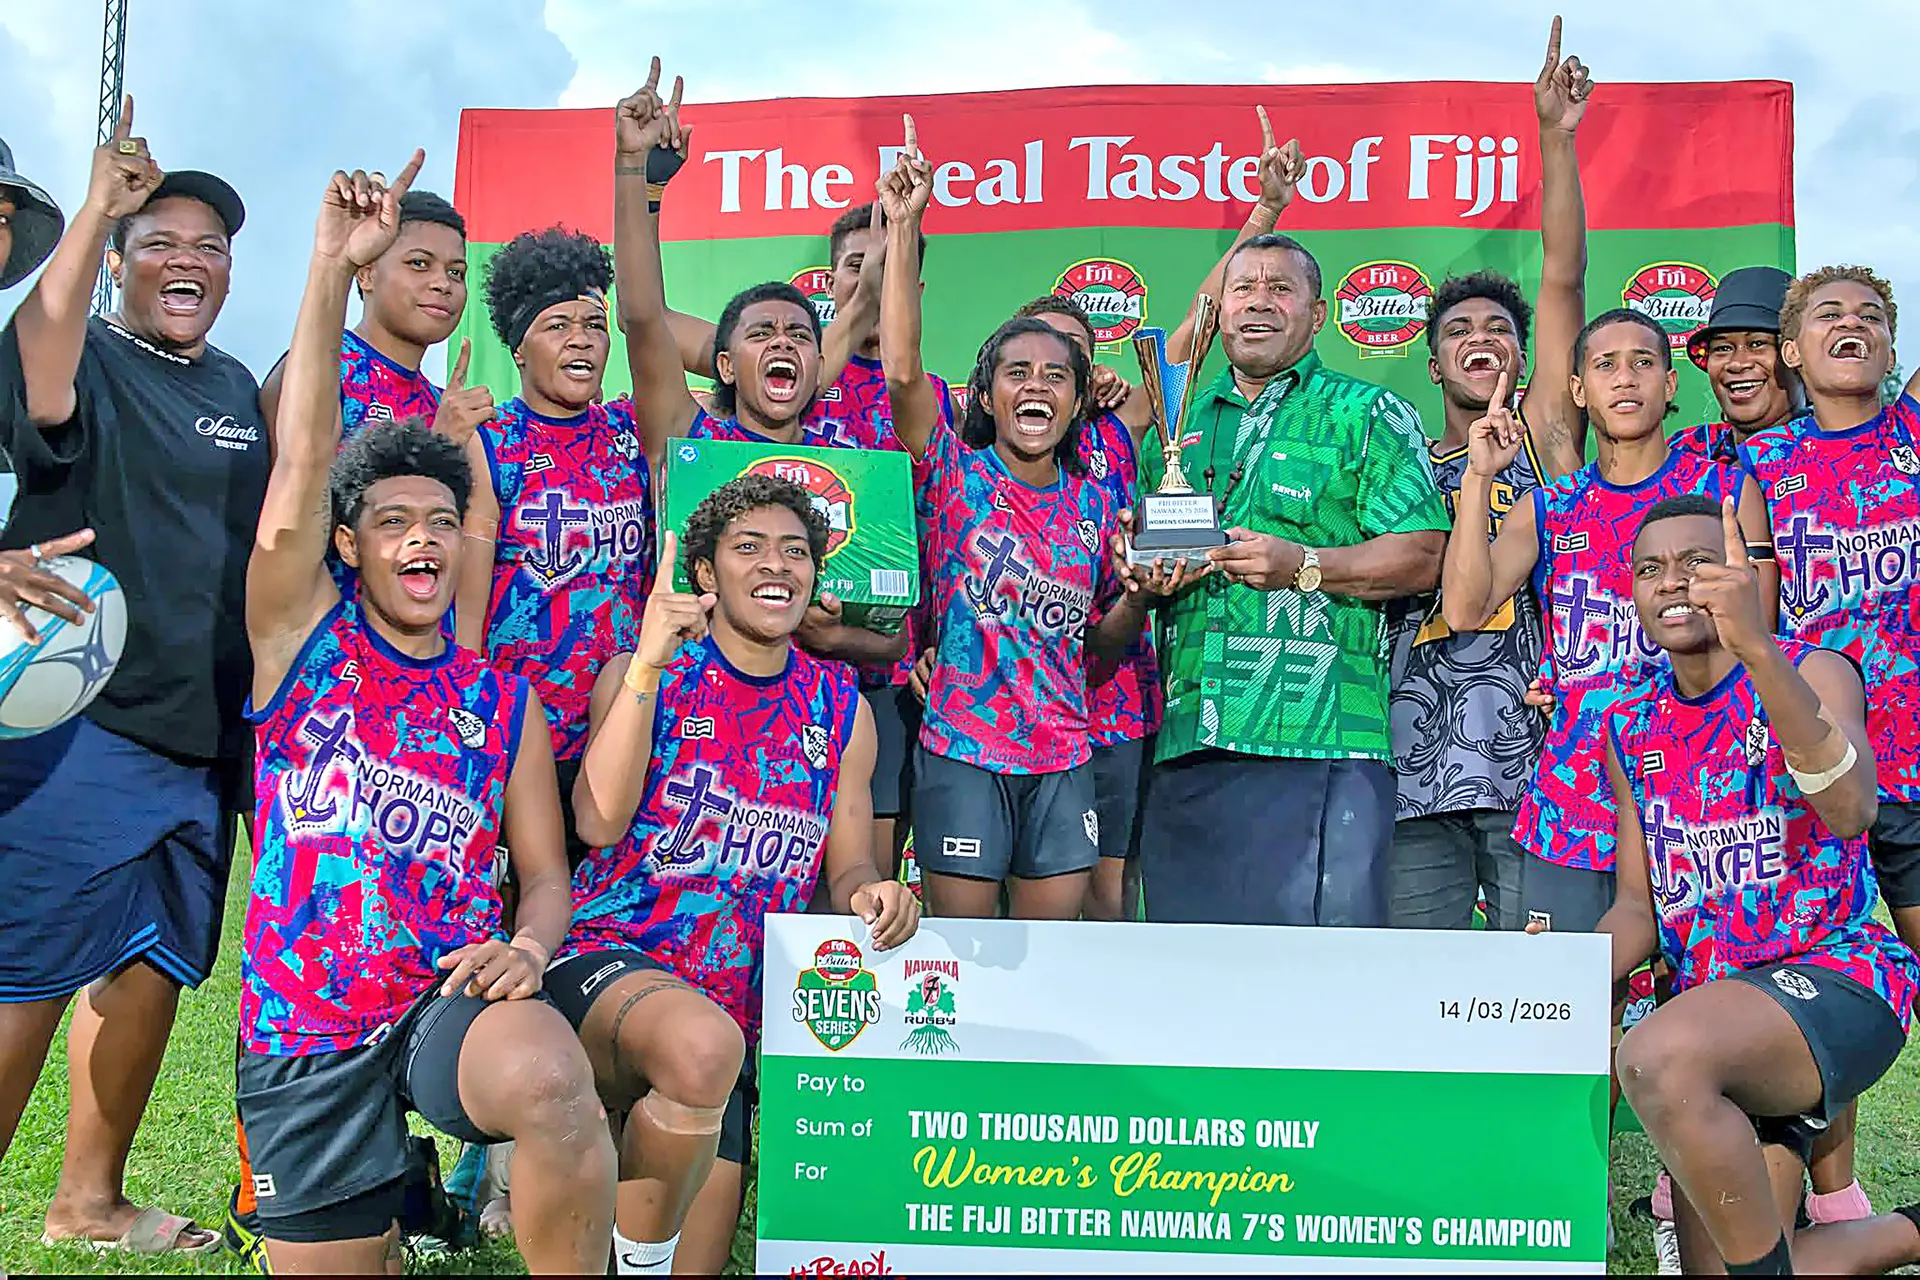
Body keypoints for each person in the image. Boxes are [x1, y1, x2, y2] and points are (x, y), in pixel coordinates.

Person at [236, 154, 615, 1275]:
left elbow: (545, 872)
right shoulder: (296, 642)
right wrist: (324, 270)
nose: (419, 540)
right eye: (392, 520)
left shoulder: (502, 701)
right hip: (303, 1030)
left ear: (464, 541)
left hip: (439, 998)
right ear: (348, 544)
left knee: (552, 1078)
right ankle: (378, 1210)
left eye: (440, 521)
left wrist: (533, 941)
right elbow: (306, 458)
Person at [0, 100, 265, 1255]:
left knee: (151, 965)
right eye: (159, 239)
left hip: (200, 735)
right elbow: (40, 364)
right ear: (115, 261)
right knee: (25, 974)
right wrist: (95, 208)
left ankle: (88, 1198)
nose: (188, 259)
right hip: (75, 725)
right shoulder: (85, 352)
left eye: (210, 245)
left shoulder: (233, 387)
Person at [549, 475, 919, 1275]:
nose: (774, 565)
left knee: (697, 1260)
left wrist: (873, 891)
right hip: (613, 963)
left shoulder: (841, 707)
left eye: (795, 550)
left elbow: (849, 861)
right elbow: (595, 822)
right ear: (707, 575)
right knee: (689, 1059)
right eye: (747, 548)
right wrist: (646, 666)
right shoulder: (645, 672)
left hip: (736, 1012)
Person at [1579, 492, 1920, 1276]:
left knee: (1655, 1055)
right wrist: (1555, 978)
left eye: (1697, 562)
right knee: (1742, 1265)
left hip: (1836, 982)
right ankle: (1910, 1232)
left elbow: (1849, 807)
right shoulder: (1629, 725)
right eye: (1649, 570)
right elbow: (1639, 904)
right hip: (1715, 1016)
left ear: (1742, 571)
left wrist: (1757, 647)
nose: (1673, 583)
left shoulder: (1814, 667)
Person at [1132, 218, 1449, 927]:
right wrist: (1150, 581)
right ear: (1220, 309)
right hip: (1193, 740)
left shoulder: (1368, 413)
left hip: (1323, 742)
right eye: (1243, 287)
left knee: (1325, 995)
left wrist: (1304, 565)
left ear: (1318, 313)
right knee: (1196, 990)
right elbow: (1143, 555)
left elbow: (1425, 554)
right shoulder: (1174, 424)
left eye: (1281, 288)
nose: (1259, 301)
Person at [1441, 308, 1775, 933]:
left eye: (1644, 363)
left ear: (1671, 384)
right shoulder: (1552, 506)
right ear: (1578, 390)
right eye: (1605, 365)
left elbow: (1759, 634)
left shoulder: (1725, 488)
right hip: (1573, 797)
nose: (1626, 379)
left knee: (1693, 1007)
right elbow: (1463, 611)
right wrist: (1481, 475)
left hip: (1702, 796)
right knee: (1567, 1009)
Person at [1386, 17, 1592, 932]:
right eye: (1459, 333)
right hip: (1407, 769)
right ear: (1433, 365)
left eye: (1498, 332)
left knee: (1536, 1002)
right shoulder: (1394, 458)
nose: (1482, 341)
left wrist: (1555, 136)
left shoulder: (1549, 438)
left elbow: (1562, 278)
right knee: (1415, 999)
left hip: (1539, 766)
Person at [1014, 294, 1161, 921]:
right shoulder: (977, 450)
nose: (1055, 359)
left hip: (1112, 695)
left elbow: (1187, 336)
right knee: (1013, 887)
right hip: (1010, 700)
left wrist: (1262, 211)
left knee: (1108, 891)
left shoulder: (1115, 429)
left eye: (1073, 350)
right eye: (1040, 346)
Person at [260, 188, 491, 445]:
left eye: (456, 272)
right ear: (367, 274)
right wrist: (440, 443)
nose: (443, 283)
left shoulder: (444, 407)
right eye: (419, 263)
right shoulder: (320, 368)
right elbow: (296, 480)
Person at [1669, 266, 1802, 460]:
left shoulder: (1836, 453)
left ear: (1794, 354)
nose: (1738, 364)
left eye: (1757, 344)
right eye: (1723, 348)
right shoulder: (1683, 452)